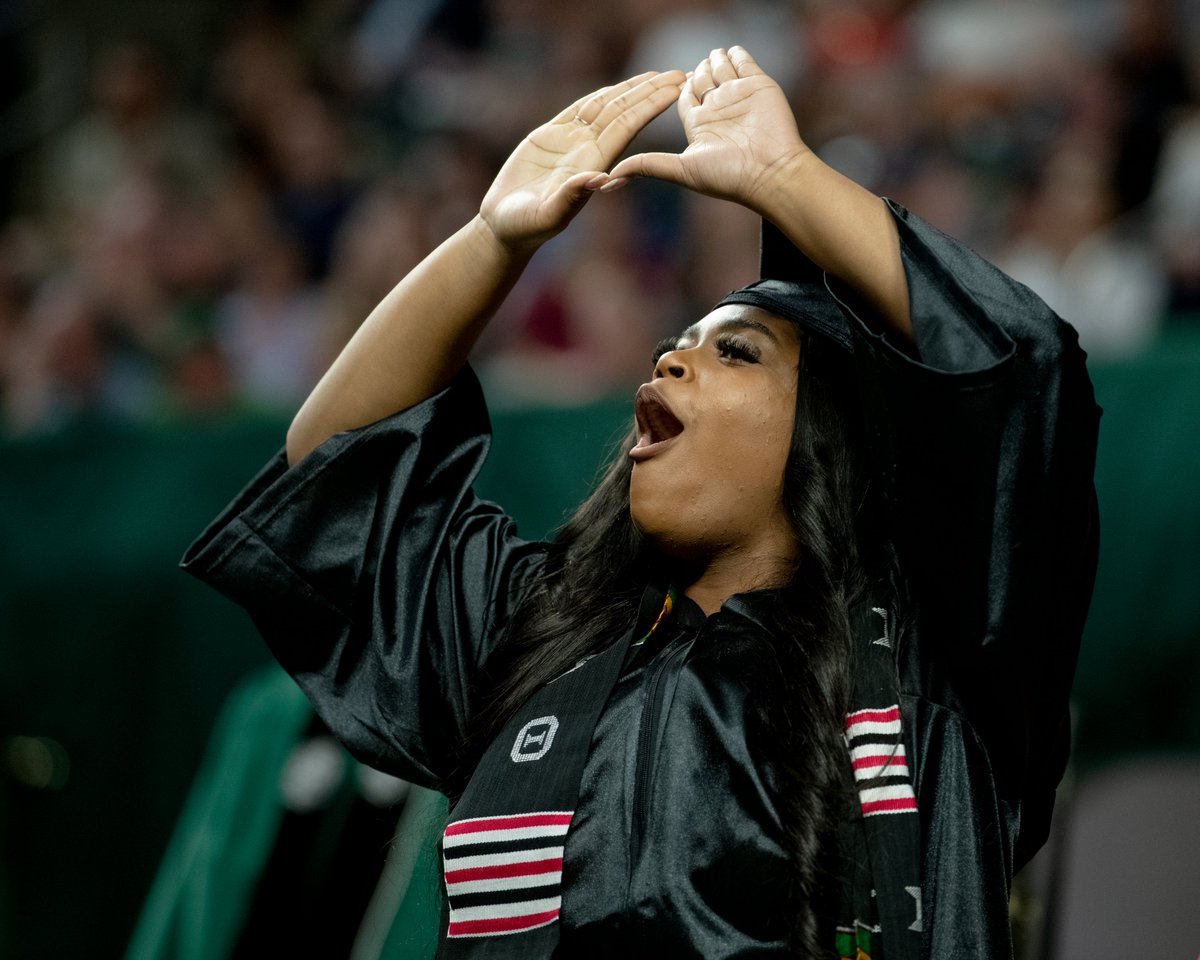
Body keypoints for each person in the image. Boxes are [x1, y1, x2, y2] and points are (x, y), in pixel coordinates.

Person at [183, 47, 1100, 959]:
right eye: (674, 346)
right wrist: (492, 240)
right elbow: (334, 480)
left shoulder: (930, 649)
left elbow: (1016, 372)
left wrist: (786, 177)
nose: (670, 361)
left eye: (734, 352)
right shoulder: (538, 633)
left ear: (835, 440)